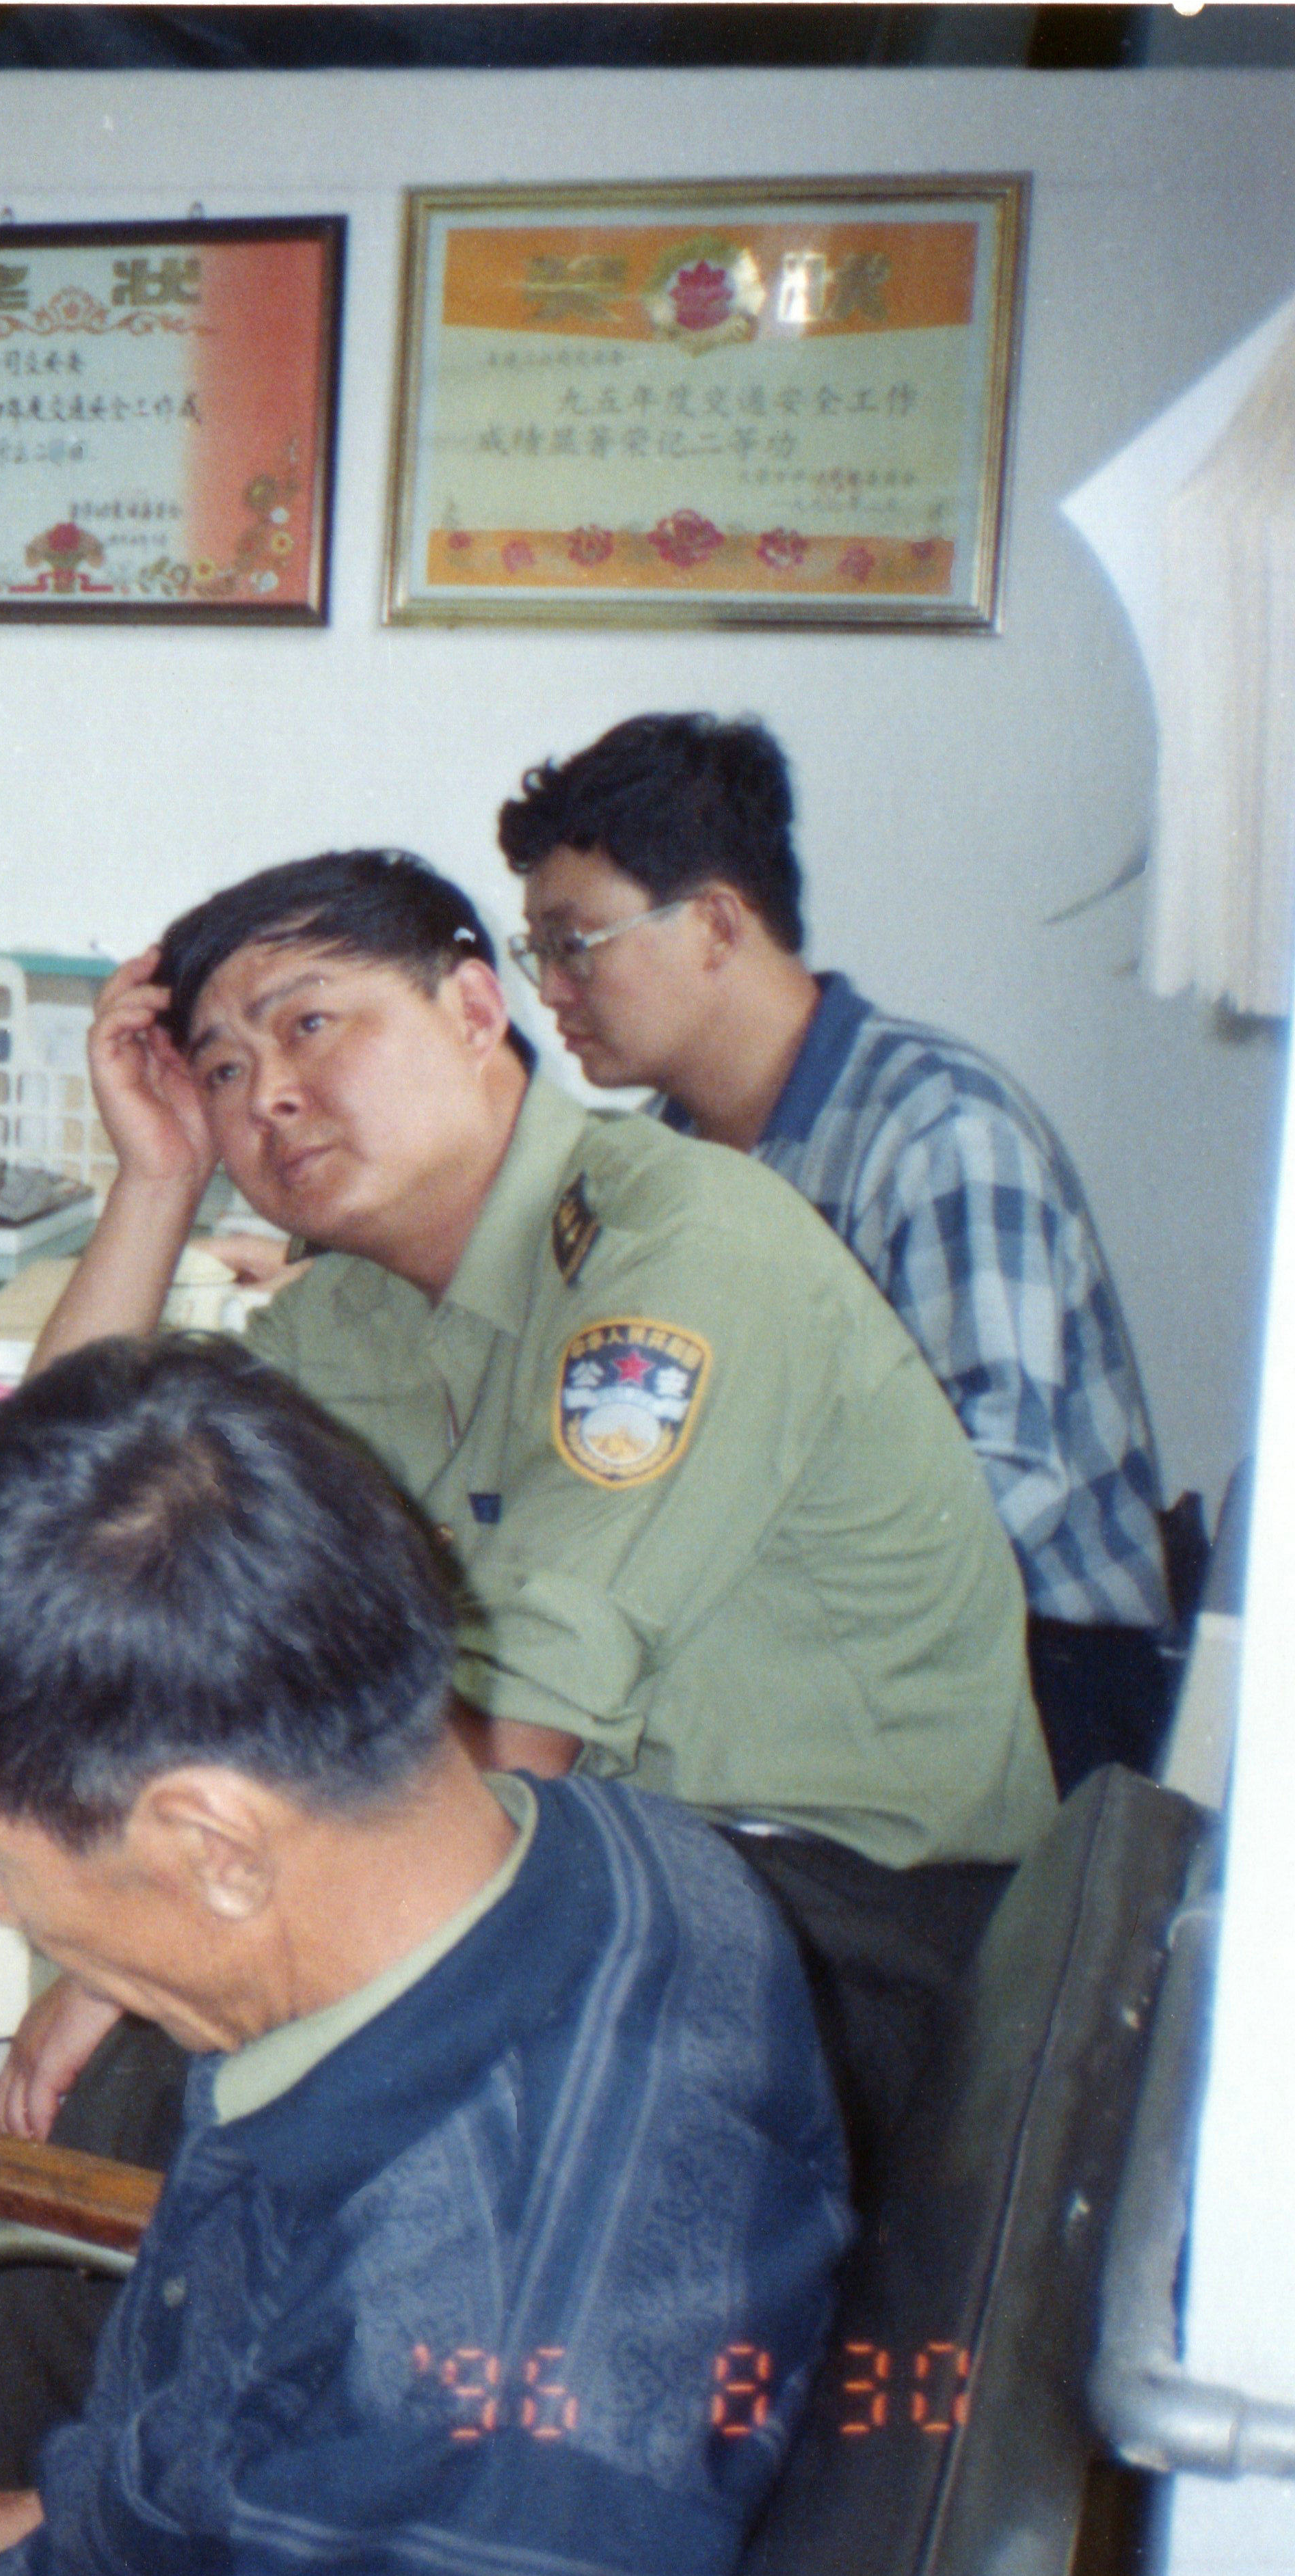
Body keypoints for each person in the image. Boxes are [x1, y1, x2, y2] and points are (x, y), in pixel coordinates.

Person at [0, 848, 1045, 2484]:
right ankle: (62, 2557)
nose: (265, 1095)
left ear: (475, 1007)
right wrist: (153, 1183)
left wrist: (131, 1963)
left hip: (837, 1934)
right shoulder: (364, 1308)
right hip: (619, 1878)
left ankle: (104, 2558)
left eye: (309, 1024)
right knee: (125, 2092)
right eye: (221, 1068)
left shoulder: (680, 1248)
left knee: (168, 2104)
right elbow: (60, 1520)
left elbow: (515, 1751)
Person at [0, 1334, 851, 2576]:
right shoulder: (625, 1861)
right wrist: (4, 2535)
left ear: (214, 1847)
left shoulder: (469, 2362)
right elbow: (268, 2490)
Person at [497, 710, 1181, 1788]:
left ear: (716, 924)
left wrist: (694, 1592)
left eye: (574, 944)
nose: (548, 991)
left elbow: (1007, 1490)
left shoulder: (939, 1130)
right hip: (811, 1658)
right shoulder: (662, 1162)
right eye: (537, 952)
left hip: (1032, 1678)